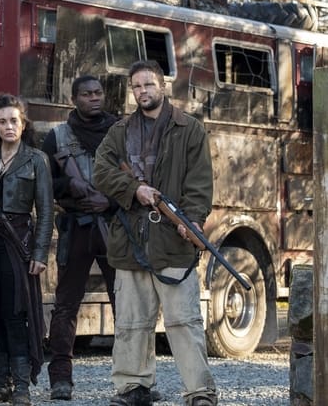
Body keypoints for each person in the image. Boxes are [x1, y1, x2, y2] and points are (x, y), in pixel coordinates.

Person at [93, 60, 217, 406]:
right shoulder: (120, 131)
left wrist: (192, 221)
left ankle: (199, 391)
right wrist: (134, 189)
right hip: (131, 240)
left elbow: (199, 182)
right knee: (132, 323)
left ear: (163, 86)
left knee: (184, 321)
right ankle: (133, 387)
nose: (142, 91)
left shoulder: (189, 129)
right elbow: (100, 171)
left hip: (173, 239)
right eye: (136, 86)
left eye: (148, 84)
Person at [0, 93, 53, 406]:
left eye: (13, 121)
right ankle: (1, 384)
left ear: (23, 124)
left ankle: (21, 386)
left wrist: (40, 254)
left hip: (19, 245)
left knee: (16, 314)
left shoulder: (36, 159)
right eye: (2, 121)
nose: (8, 126)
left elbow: (46, 211)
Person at [40, 75, 118, 401]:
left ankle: (134, 379)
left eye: (98, 92)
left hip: (115, 226)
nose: (94, 98)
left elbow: (137, 178)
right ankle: (61, 379)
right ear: (74, 99)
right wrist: (70, 187)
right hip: (76, 226)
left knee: (126, 304)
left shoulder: (120, 132)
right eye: (86, 94)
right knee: (66, 305)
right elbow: (45, 183)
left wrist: (108, 202)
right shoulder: (57, 137)